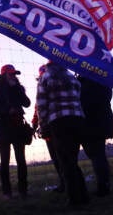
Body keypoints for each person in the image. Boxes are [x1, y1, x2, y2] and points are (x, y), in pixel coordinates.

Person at [36, 61, 89, 206]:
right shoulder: (71, 77)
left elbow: (41, 105)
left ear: (48, 66)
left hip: (59, 121)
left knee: (65, 162)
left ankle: (75, 199)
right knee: (72, 159)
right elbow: (78, 97)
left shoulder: (45, 77)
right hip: (77, 119)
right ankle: (83, 195)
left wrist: (42, 125)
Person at [0, 64, 31, 199]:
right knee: (4, 161)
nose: (13, 76)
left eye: (15, 74)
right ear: (4, 75)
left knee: (21, 160)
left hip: (18, 127)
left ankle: (23, 190)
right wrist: (6, 111)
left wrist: (18, 89)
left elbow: (27, 103)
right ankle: (7, 192)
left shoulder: (18, 87)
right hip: (2, 129)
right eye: (11, 73)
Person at [78, 75, 113, 196]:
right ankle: (105, 184)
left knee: (96, 155)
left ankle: (103, 187)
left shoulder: (82, 84)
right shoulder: (102, 82)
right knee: (99, 155)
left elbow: (83, 103)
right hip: (102, 123)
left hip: (89, 124)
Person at [31, 64, 65, 193]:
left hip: (52, 127)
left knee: (60, 157)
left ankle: (67, 184)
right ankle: (66, 183)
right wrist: (34, 124)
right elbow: (37, 108)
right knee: (60, 158)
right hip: (54, 127)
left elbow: (39, 108)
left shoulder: (44, 88)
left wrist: (37, 124)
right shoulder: (61, 84)